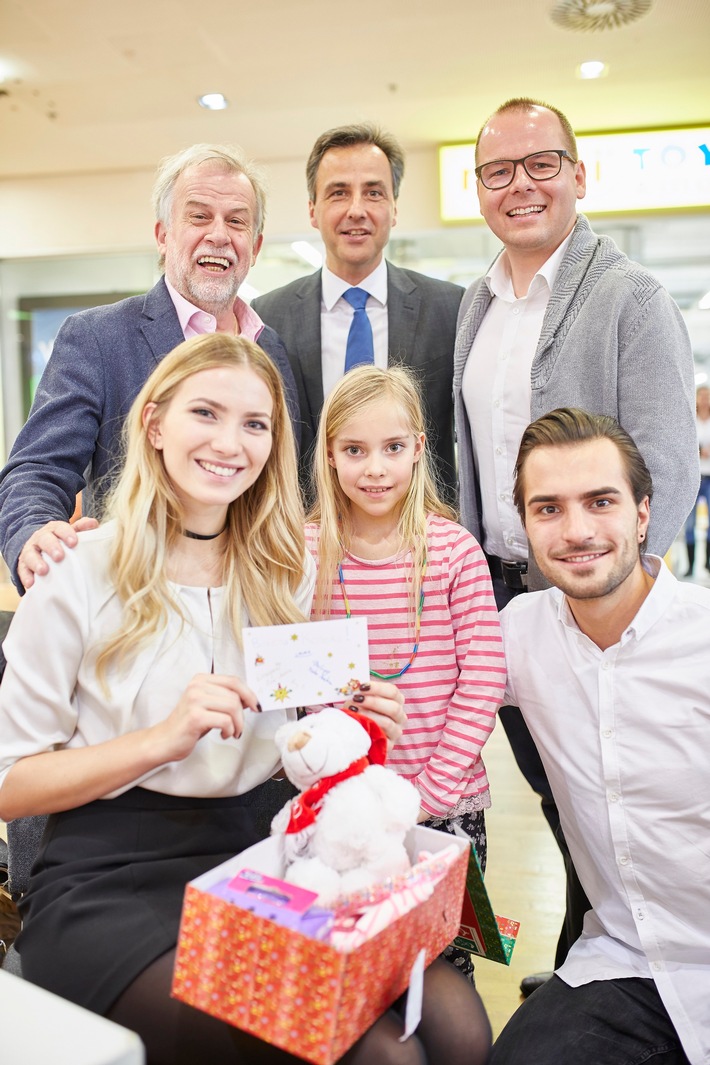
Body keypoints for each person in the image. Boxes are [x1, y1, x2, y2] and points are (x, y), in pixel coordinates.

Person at [0, 334, 492, 1065]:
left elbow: (303, 741)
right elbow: (11, 785)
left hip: (260, 857)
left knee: (457, 1028)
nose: (231, 442)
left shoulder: (286, 573)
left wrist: (352, 726)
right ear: (155, 424)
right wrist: (161, 738)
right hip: (111, 876)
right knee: (378, 1057)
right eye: (207, 412)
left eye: (255, 424)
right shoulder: (78, 570)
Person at [453, 96, 699, 991]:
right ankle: (595, 960)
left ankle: (597, 970)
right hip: (501, 595)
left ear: (578, 174)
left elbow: (664, 463)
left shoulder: (629, 296)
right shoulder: (477, 305)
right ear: (478, 189)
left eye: (541, 163)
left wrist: (616, 603)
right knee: (566, 801)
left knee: (607, 793)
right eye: (497, 171)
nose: (520, 186)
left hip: (593, 599)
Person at [490, 406, 708, 1065]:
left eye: (601, 501)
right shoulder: (517, 634)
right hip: (626, 962)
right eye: (548, 508)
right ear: (525, 524)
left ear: (643, 512)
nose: (577, 530)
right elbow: (413, 692)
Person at [0, 142, 300, 595]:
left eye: (236, 221)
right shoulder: (98, 338)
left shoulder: (271, 347)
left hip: (252, 604)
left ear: (254, 247)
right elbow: (38, 469)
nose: (219, 234)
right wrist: (33, 535)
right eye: (199, 216)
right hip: (137, 601)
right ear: (163, 235)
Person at [306, 364, 506, 981]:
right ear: (330, 454)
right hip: (344, 805)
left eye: (393, 448)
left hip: (445, 807)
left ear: (419, 448)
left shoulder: (451, 551)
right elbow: (295, 678)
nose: (375, 469)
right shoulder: (305, 551)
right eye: (355, 450)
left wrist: (430, 794)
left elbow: (483, 677)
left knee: (442, 961)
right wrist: (341, 778)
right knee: (356, 957)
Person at [252, 123, 463, 498]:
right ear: (313, 210)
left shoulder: (450, 309)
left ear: (394, 208)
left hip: (423, 539)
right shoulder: (268, 318)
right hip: (305, 539)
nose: (356, 210)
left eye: (374, 193)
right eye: (338, 193)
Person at [683, 384, 710, 577]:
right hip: (694, 477)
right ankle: (690, 565)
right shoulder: (690, 420)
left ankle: (708, 564)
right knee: (690, 523)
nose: (704, 400)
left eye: (707, 396)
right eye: (701, 396)